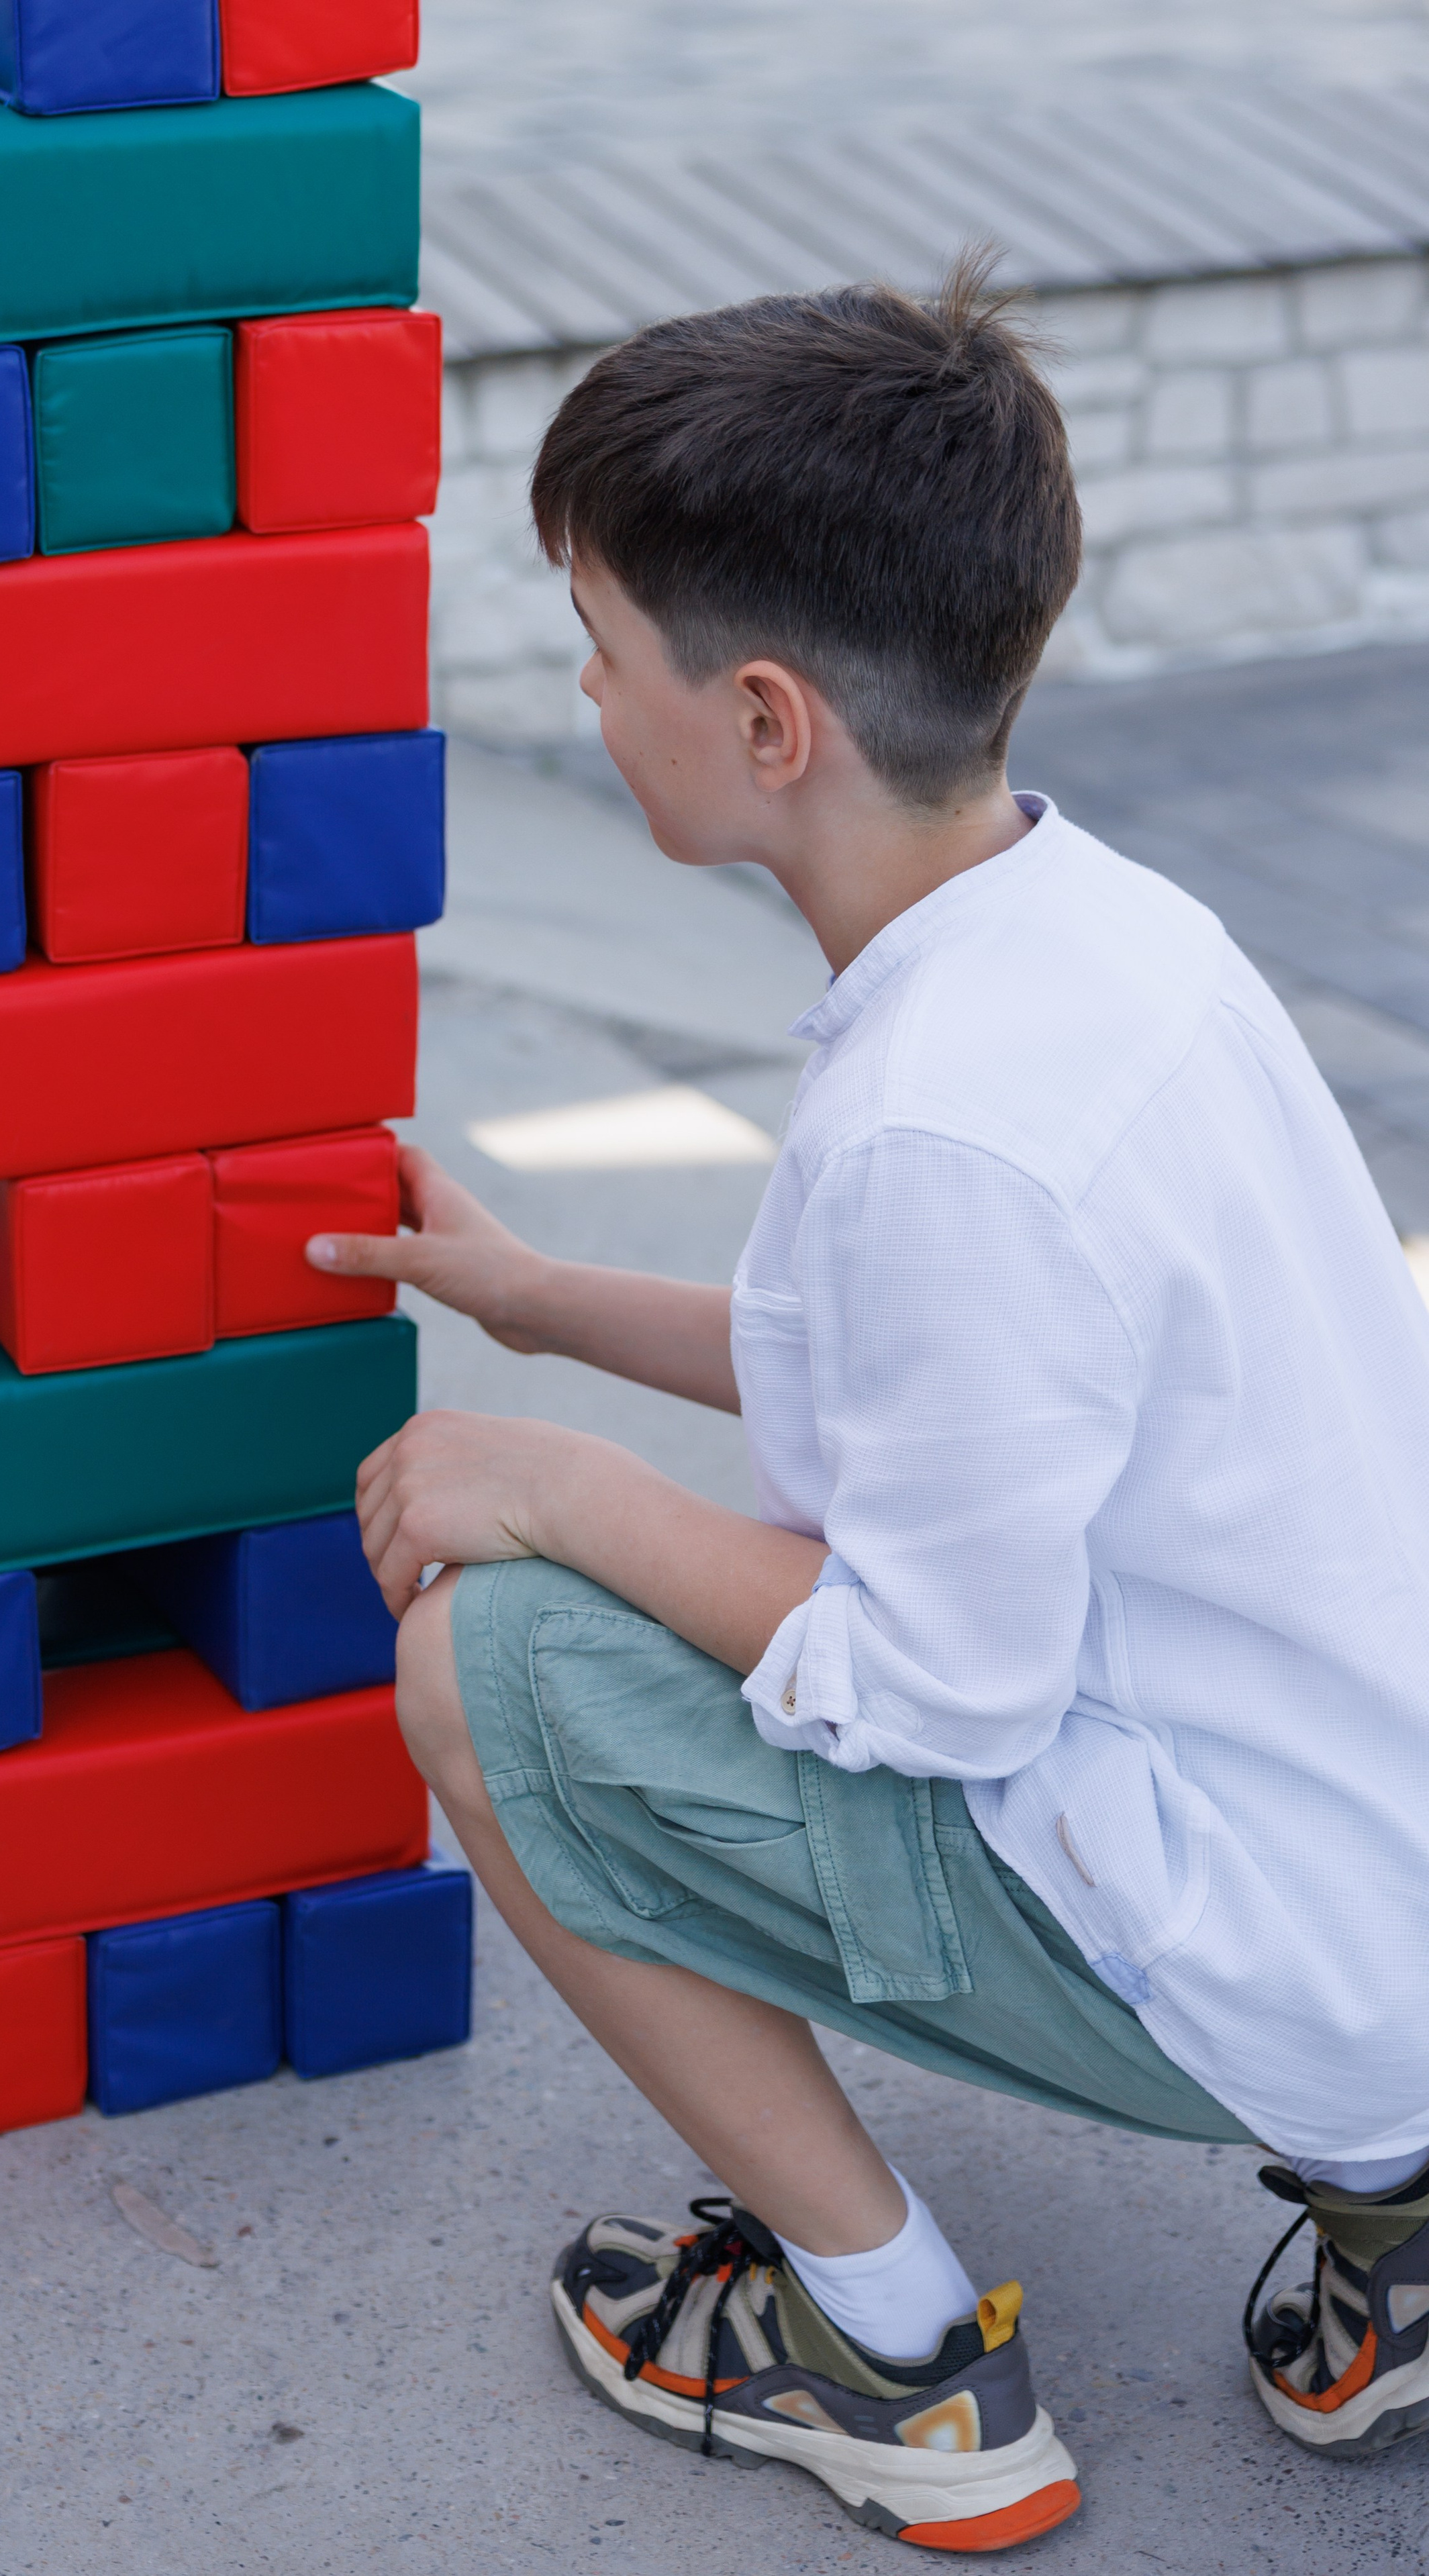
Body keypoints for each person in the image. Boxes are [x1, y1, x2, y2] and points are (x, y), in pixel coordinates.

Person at [302, 256, 1429, 2550]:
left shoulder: (943, 1133)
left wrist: (562, 1496)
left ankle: (899, 2357)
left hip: (1252, 1936)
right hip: (1367, 1853)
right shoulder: (1090, 929)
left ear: (767, 720)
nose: (587, 696)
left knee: (482, 1667)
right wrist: (537, 1301)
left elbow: (931, 1683)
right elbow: (931, 1379)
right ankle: (1403, 2220)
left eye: (603, 654)